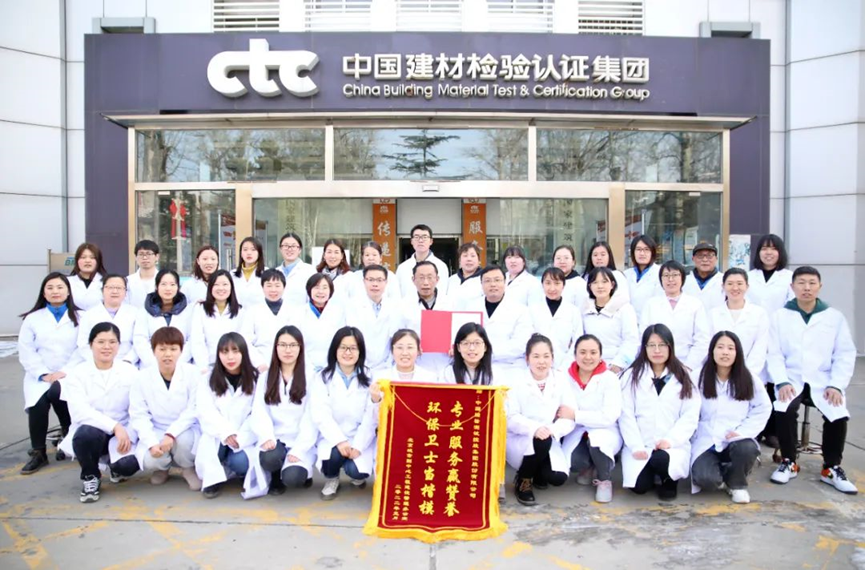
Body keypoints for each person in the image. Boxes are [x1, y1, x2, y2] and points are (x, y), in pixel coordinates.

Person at [767, 266, 858, 494]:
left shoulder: (834, 317)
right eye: (801, 283)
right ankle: (789, 461)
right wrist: (781, 381)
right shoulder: (780, 316)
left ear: (820, 286)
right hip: (792, 377)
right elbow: (773, 353)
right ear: (792, 286)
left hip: (823, 379)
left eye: (811, 283)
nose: (806, 288)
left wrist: (836, 384)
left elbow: (845, 354)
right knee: (785, 409)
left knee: (837, 412)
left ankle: (831, 467)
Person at [58, 322, 141, 503]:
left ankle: (114, 466)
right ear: (91, 345)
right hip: (93, 429)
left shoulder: (130, 371)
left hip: (123, 430)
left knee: (128, 466)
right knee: (86, 435)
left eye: (112, 342)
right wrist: (114, 426)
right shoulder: (78, 373)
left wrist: (126, 431)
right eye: (101, 342)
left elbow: (139, 407)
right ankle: (91, 476)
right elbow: (80, 412)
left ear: (119, 345)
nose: (106, 347)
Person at [619, 325, 700, 500]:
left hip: (672, 446)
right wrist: (635, 445)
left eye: (662, 345)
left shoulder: (684, 376)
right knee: (639, 487)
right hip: (641, 443)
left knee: (662, 461)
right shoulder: (631, 376)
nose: (657, 350)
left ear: (670, 347)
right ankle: (651, 472)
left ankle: (668, 479)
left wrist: (670, 440)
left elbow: (690, 415)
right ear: (644, 348)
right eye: (651, 345)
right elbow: (626, 415)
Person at [690, 331, 771, 504]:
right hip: (706, 440)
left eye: (730, 348)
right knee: (706, 479)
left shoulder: (749, 378)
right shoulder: (698, 377)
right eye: (720, 347)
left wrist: (743, 432)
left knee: (746, 448)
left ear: (737, 352)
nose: (725, 352)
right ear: (712, 351)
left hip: (735, 438)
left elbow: (763, 408)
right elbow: (686, 408)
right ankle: (726, 473)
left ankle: (737, 484)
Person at [18, 273, 82, 474]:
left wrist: (64, 372)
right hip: (39, 375)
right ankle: (39, 452)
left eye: (60, 287)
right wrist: (42, 373)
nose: (55, 291)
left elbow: (83, 348)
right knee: (38, 404)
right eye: (50, 288)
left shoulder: (81, 317)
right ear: (43, 293)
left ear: (68, 291)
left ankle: (68, 438)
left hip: (70, 373)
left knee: (60, 395)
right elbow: (26, 349)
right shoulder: (32, 319)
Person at [506, 334, 576, 506]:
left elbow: (568, 416)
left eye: (546, 356)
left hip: (549, 436)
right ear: (527, 358)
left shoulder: (560, 379)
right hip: (520, 437)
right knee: (540, 441)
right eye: (536, 356)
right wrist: (535, 428)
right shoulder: (515, 380)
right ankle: (523, 480)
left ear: (552, 358)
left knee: (557, 478)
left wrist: (552, 430)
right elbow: (510, 416)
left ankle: (536, 471)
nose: (541, 362)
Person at [128, 327, 202, 490]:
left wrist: (171, 433)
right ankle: (162, 468)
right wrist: (151, 442)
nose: (167, 354)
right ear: (153, 350)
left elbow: (194, 409)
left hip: (186, 428)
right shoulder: (141, 378)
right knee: (150, 458)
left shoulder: (193, 373)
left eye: (173, 349)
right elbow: (139, 414)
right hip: (157, 428)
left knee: (184, 441)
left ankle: (188, 468)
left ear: (181, 351)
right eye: (162, 349)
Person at [310, 327, 377, 500]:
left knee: (357, 471)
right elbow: (321, 413)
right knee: (332, 457)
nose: (348, 352)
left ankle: (354, 472)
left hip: (358, 436)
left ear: (360, 351)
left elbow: (370, 417)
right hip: (332, 436)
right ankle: (332, 478)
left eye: (353, 348)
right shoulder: (322, 377)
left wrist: (359, 445)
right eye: (343, 347)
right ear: (335, 349)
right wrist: (339, 440)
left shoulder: (370, 377)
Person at [251, 326, 318, 496]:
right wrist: (267, 436)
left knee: (294, 478)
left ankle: (298, 471)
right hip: (275, 438)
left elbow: (312, 416)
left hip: (300, 438)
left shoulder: (311, 377)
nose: (288, 350)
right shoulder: (266, 377)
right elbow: (259, 410)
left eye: (293, 345)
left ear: (300, 348)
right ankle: (275, 475)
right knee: (270, 457)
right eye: (283, 345)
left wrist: (300, 448)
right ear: (276, 347)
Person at [558, 334, 623, 503]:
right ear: (575, 354)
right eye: (583, 352)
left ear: (600, 355)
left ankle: (604, 479)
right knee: (574, 462)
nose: (588, 357)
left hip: (604, 430)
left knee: (599, 444)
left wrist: (576, 415)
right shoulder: (564, 378)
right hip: (577, 431)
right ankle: (589, 466)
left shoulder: (610, 379)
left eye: (593, 352)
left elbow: (609, 416)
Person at [195, 332, 258, 499]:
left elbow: (257, 413)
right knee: (215, 451)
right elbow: (205, 410)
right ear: (218, 354)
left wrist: (240, 436)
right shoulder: (208, 379)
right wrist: (227, 433)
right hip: (217, 434)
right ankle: (215, 479)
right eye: (225, 352)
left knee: (241, 462)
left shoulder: (256, 379)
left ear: (244, 353)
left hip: (244, 435)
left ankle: (231, 470)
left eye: (235, 351)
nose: (230, 357)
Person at [640, 260, 710, 371]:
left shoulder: (695, 304)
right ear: (661, 279)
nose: (670, 279)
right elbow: (643, 336)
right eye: (666, 275)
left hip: (687, 363)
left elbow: (702, 339)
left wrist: (688, 366)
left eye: (675, 275)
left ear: (682, 278)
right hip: (656, 364)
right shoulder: (651, 304)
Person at [463, 265, 533, 374]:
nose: (493, 284)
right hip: (476, 366)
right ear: (481, 284)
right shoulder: (471, 307)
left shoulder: (520, 310)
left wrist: (487, 352)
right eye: (487, 281)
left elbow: (521, 344)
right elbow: (464, 337)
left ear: (505, 282)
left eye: (497, 280)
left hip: (509, 367)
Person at [709, 269, 770, 379]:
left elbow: (760, 348)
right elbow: (709, 345)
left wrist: (746, 375)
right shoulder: (713, 314)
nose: (735, 288)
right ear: (723, 286)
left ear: (747, 286)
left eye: (739, 283)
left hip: (751, 376)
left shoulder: (759, 313)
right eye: (730, 284)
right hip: (719, 375)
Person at [582, 267, 640, 375]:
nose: (600, 286)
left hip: (617, 368)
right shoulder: (584, 309)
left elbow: (631, 340)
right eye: (595, 282)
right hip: (590, 366)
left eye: (604, 282)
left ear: (612, 285)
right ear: (589, 286)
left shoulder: (624, 308)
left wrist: (618, 364)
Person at [344, 265, 402, 371]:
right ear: (364, 281)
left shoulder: (395, 307)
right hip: (359, 365)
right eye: (370, 280)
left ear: (386, 282)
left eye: (379, 280)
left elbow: (396, 337)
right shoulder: (351, 305)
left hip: (387, 366)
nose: (375, 284)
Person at [400, 261, 453, 374]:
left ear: (437, 279)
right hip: (416, 363)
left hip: (445, 362)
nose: (425, 282)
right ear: (413, 280)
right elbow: (398, 335)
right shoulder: (403, 305)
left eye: (430, 277)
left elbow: (458, 331)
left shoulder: (450, 303)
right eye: (421, 278)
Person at [133, 269, 192, 370]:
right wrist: (155, 364)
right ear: (156, 286)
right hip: (151, 367)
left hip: (182, 366)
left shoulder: (189, 311)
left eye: (172, 284)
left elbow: (191, 340)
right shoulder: (144, 311)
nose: (168, 288)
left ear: (178, 287)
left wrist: (177, 363)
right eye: (163, 284)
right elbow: (140, 340)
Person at [189, 270, 247, 371]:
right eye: (216, 285)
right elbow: (197, 340)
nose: (221, 288)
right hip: (207, 366)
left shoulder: (240, 311)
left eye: (225, 284)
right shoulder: (200, 309)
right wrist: (203, 366)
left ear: (231, 287)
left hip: (233, 365)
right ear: (210, 287)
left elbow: (243, 340)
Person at [77, 275, 139, 366]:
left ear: (125, 292)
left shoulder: (136, 313)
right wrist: (97, 362)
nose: (115, 291)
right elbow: (83, 343)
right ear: (102, 290)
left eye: (119, 288)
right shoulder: (89, 314)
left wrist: (127, 361)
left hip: (127, 364)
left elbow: (139, 342)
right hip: (96, 365)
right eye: (110, 287)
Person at [241, 269, 295, 371]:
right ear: (262, 287)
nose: (273, 290)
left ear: (284, 287)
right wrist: (259, 363)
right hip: (260, 365)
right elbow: (245, 340)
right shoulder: (253, 311)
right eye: (269, 286)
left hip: (288, 364)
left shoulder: (293, 311)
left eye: (277, 286)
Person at [531, 267, 583, 371]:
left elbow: (578, 341)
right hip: (537, 367)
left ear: (563, 285)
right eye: (548, 283)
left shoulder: (573, 311)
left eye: (557, 283)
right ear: (542, 285)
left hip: (565, 366)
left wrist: (565, 366)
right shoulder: (532, 310)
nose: (552, 288)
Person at [292, 273, 346, 372]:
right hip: (304, 366)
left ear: (330, 291)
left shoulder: (339, 313)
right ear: (309, 290)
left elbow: (342, 341)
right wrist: (308, 365)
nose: (321, 291)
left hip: (333, 366)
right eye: (316, 287)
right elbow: (294, 341)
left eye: (325, 288)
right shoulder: (298, 313)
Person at [396, 224, 450, 297]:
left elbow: (442, 293)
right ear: (411, 241)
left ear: (431, 241)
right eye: (416, 237)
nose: (420, 240)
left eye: (424, 237)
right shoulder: (402, 268)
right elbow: (398, 294)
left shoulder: (441, 266)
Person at [371, 330, 439, 386]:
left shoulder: (430, 378)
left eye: (410, 347)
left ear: (418, 351)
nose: (404, 353)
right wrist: (376, 397)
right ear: (392, 351)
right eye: (399, 347)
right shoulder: (380, 377)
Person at [747, 233, 794, 313]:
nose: (769, 252)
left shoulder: (790, 277)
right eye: (764, 249)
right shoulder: (748, 276)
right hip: (753, 320)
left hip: (780, 320)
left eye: (774, 249)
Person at [624, 235, 662, 316]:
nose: (642, 253)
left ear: (652, 252)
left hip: (651, 319)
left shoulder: (660, 273)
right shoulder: (626, 275)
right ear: (633, 252)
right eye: (638, 249)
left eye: (646, 249)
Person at [682, 242, 725, 311]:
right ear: (693, 259)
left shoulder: (725, 281)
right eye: (700, 256)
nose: (705, 260)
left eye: (709, 256)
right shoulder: (683, 281)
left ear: (716, 259)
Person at [277, 232, 317, 306]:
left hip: (302, 312)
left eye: (293, 246)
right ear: (280, 249)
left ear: (300, 250)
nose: (289, 249)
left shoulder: (309, 271)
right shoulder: (275, 272)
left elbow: (314, 298)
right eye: (286, 246)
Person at [67, 242, 108, 311]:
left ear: (98, 261)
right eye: (83, 257)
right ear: (77, 260)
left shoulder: (107, 282)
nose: (87, 261)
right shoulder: (67, 282)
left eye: (92, 257)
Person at [232, 237, 266, 309]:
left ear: (259, 253)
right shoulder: (232, 274)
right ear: (241, 253)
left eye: (253, 249)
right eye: (245, 249)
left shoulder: (267, 274)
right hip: (237, 314)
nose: (249, 253)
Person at [447, 242, 484, 308]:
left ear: (479, 261)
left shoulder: (484, 280)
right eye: (465, 256)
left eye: (472, 256)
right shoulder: (451, 280)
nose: (469, 259)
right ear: (460, 260)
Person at [126, 240, 160, 310]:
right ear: (136, 257)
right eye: (141, 254)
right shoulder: (128, 281)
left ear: (157, 256)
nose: (145, 258)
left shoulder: (164, 280)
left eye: (149, 254)